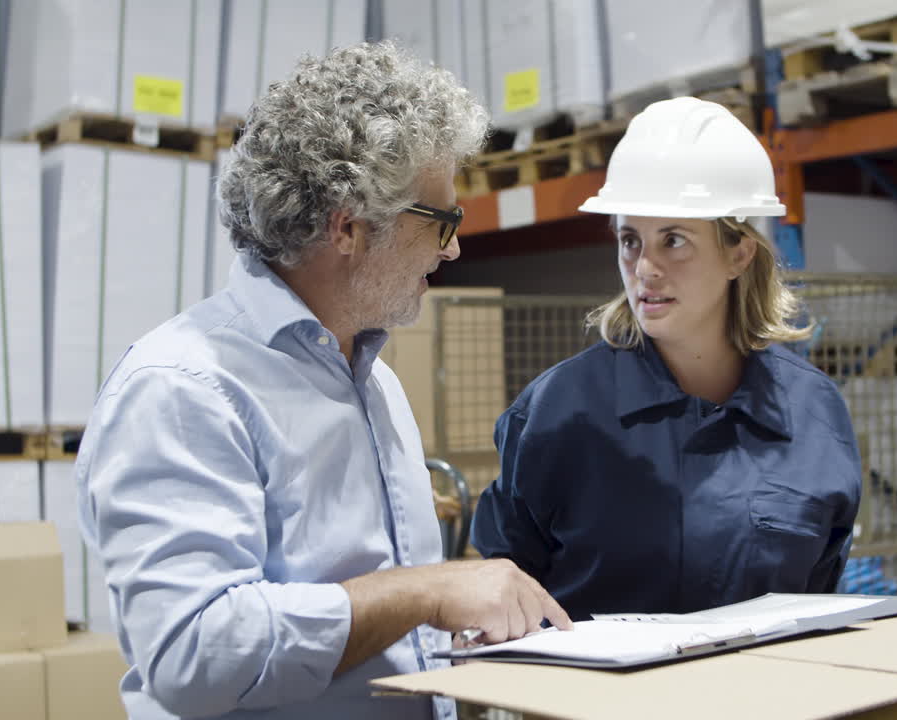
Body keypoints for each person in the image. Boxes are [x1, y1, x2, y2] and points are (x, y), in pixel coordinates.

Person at [75, 42, 571, 720]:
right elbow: (193, 652)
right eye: (441, 221)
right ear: (348, 227)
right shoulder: (184, 388)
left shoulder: (371, 380)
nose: (453, 247)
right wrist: (422, 593)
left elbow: (386, 632)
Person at [470, 97, 862, 620]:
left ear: (738, 254)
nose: (645, 269)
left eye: (674, 241)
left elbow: (820, 584)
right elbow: (505, 585)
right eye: (630, 240)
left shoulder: (813, 412)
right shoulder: (558, 412)